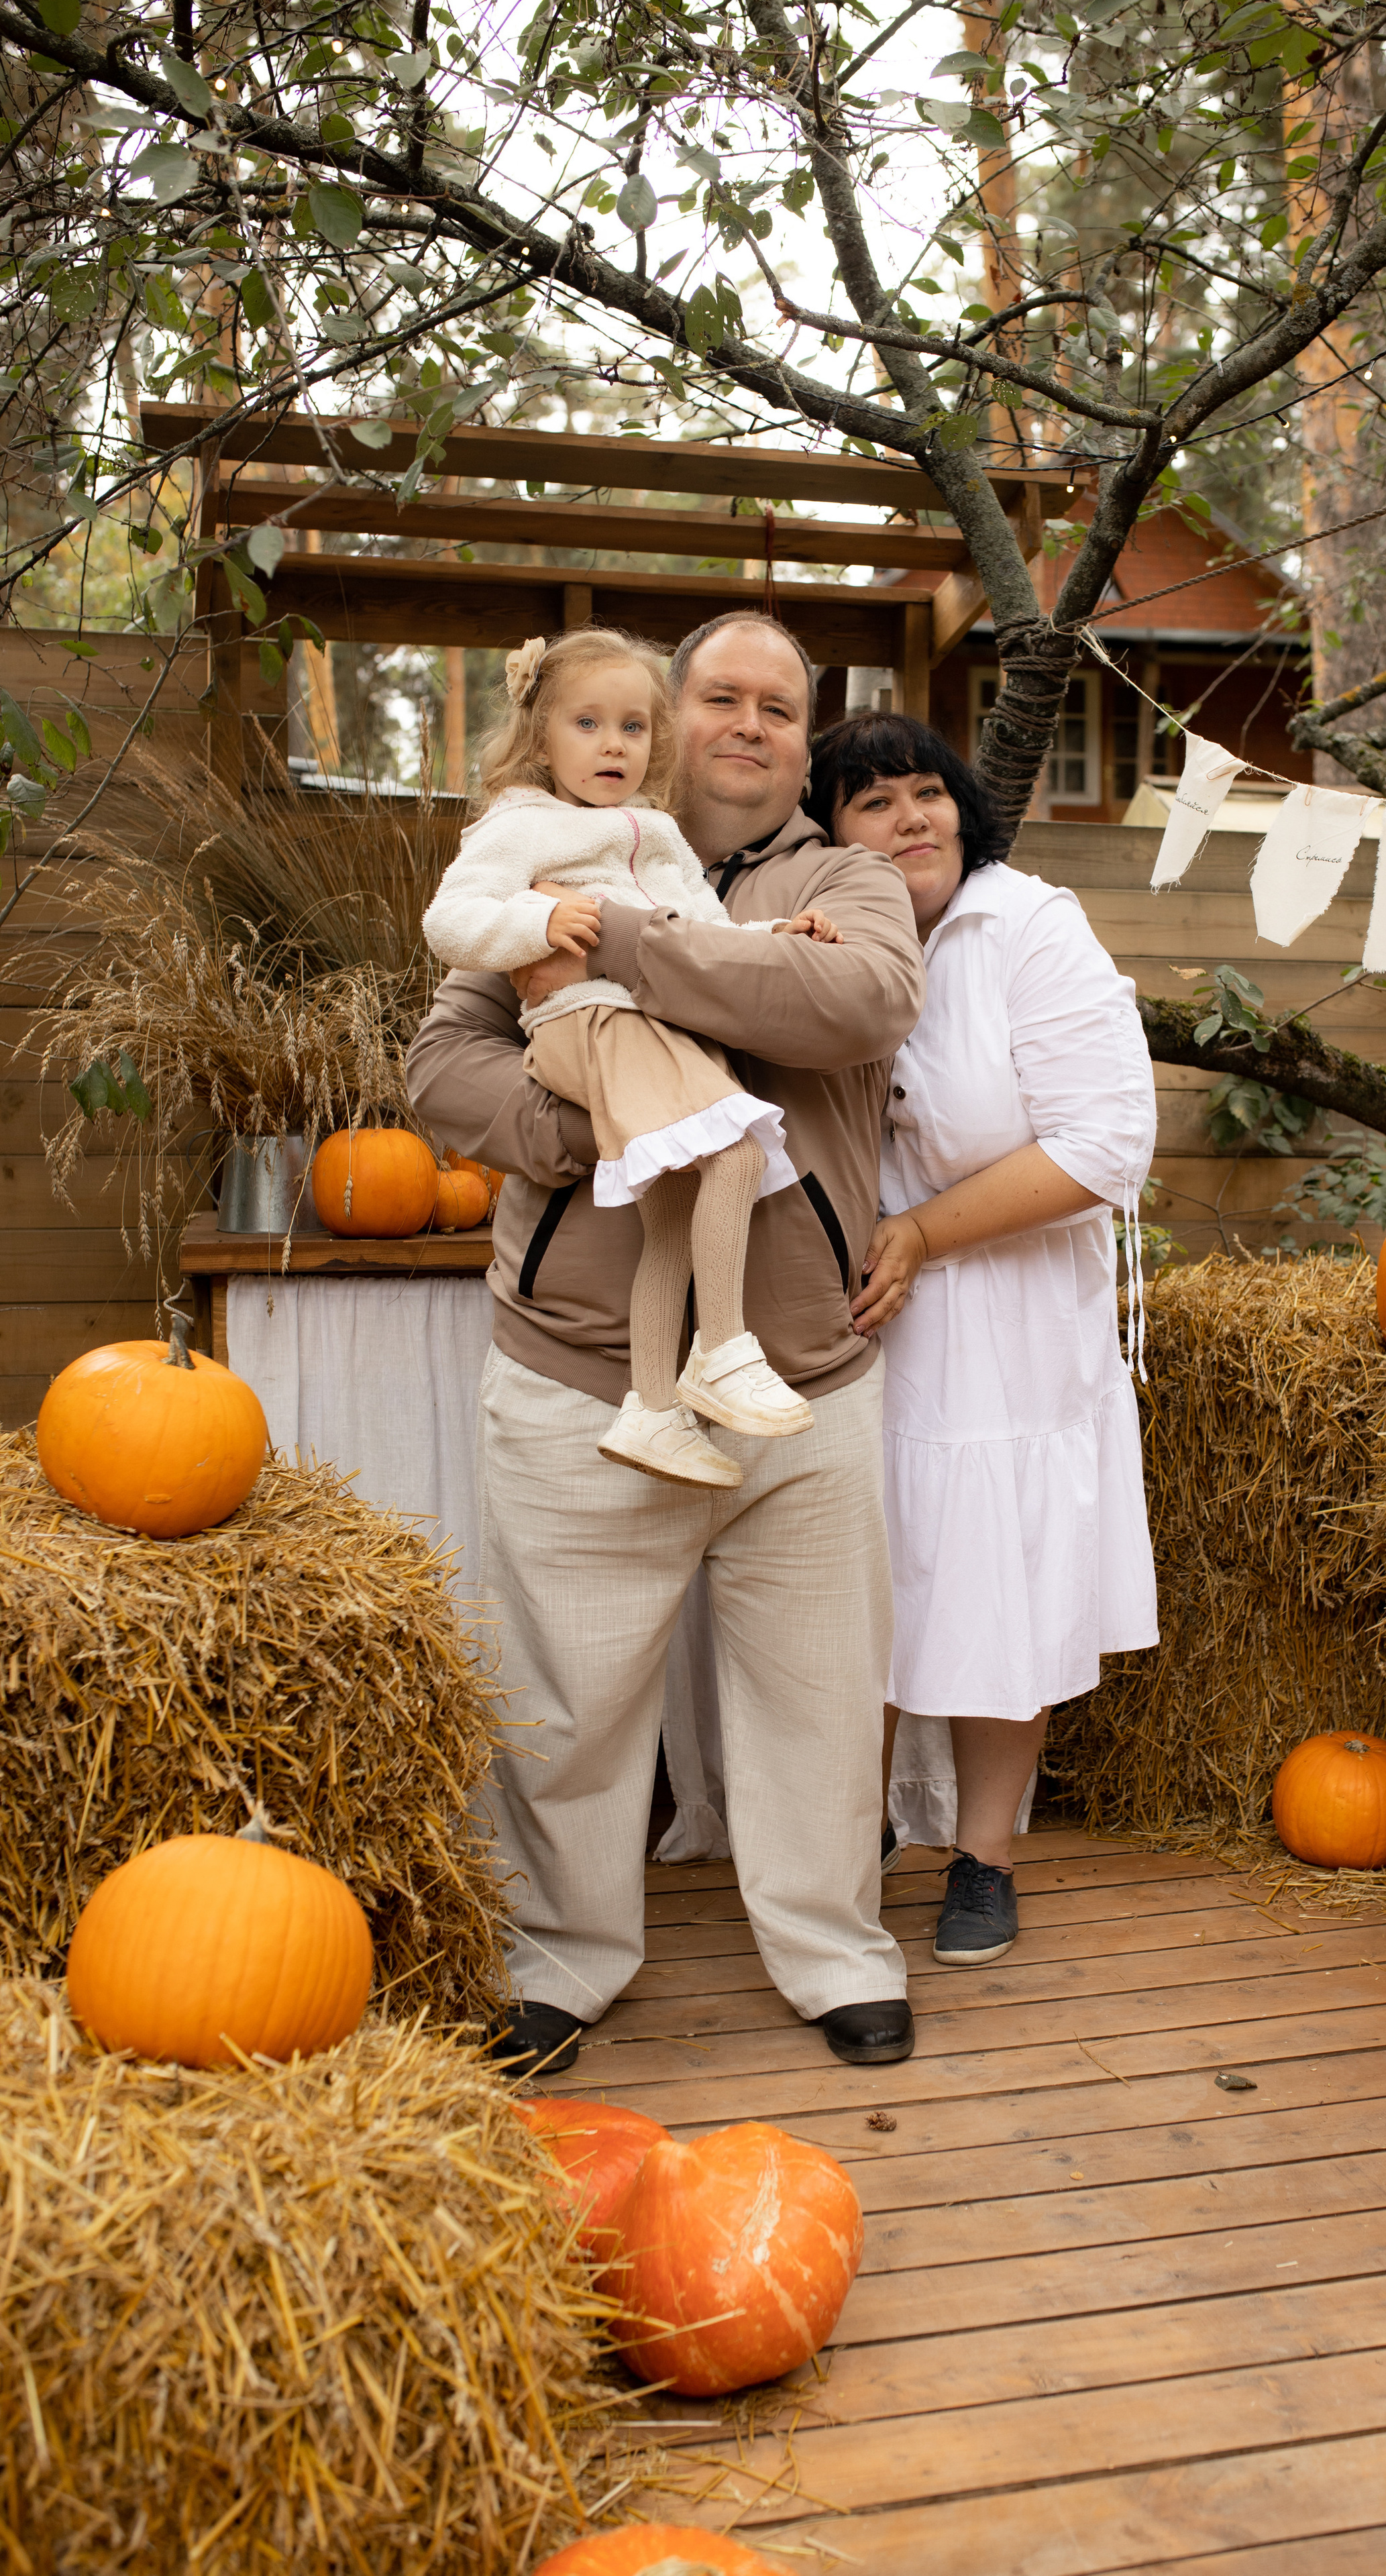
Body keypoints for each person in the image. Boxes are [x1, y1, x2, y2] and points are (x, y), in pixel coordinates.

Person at [405, 612, 925, 2076]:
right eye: (719, 695)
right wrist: (602, 1134)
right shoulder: (545, 848)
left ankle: (832, 1952)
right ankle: (560, 1957)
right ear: (655, 711)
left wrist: (629, 943)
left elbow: (850, 1004)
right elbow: (445, 1060)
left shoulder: (844, 877)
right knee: (563, 1701)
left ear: (801, 740)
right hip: (577, 1362)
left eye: (780, 704)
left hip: (803, 1377)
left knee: (819, 1699)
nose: (748, 723)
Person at [806, 710, 1159, 1968]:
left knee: (995, 1591)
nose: (910, 820)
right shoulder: (822, 935)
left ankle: (985, 1858)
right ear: (828, 834)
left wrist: (919, 1237)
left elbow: (1105, 1145)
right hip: (851, 1325)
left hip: (1001, 1320)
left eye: (925, 794)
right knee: (860, 1595)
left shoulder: (1028, 929)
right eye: (871, 804)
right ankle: (834, 1856)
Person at [421, 625, 841, 1489]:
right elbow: (448, 922)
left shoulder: (653, 829)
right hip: (589, 1026)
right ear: (541, 738)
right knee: (730, 1152)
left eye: (633, 727)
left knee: (673, 1220)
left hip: (643, 1027)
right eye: (587, 724)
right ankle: (721, 1349)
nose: (614, 745)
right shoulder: (521, 823)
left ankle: (652, 1408)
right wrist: (537, 925)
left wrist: (774, 934)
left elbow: (702, 936)